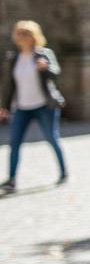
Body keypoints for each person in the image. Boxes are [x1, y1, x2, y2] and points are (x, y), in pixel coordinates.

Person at [1, 21, 69, 190]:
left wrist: (45, 68)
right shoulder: (13, 58)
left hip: (43, 106)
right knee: (14, 143)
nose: (22, 37)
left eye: (26, 33)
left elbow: (55, 73)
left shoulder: (44, 54)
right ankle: (11, 180)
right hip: (22, 107)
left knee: (51, 138)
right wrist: (5, 106)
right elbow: (8, 85)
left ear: (34, 36)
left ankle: (63, 172)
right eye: (19, 33)